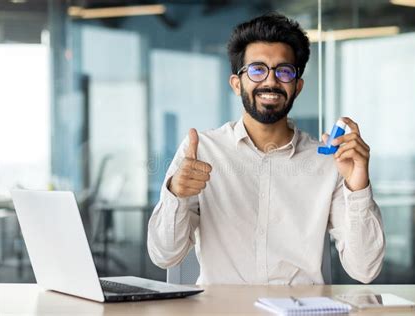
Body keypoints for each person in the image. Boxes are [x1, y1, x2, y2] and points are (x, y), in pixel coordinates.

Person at [147, 13, 385, 285]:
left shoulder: (328, 162)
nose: (271, 82)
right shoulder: (201, 150)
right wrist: (176, 195)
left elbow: (365, 269)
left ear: (297, 86)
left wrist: (358, 186)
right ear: (237, 84)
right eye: (257, 70)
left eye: (284, 71)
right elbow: (163, 255)